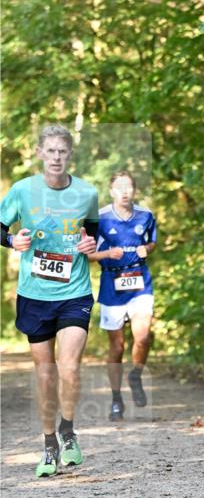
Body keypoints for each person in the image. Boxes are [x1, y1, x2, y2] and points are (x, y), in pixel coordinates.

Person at [0, 123, 98, 477]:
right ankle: (48, 444)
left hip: (75, 291)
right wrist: (13, 243)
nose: (57, 157)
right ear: (40, 153)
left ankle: (68, 432)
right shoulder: (23, 191)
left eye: (63, 151)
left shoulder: (87, 193)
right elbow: (0, 227)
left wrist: (91, 246)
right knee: (45, 374)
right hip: (34, 294)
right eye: (51, 151)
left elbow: (93, 237)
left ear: (70, 155)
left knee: (69, 365)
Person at [88, 171, 157, 420]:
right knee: (116, 348)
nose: (125, 192)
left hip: (139, 282)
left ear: (134, 191)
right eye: (119, 187)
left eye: (129, 187)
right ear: (111, 191)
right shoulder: (100, 218)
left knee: (143, 336)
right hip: (111, 284)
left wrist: (145, 248)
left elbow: (152, 242)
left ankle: (136, 373)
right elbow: (86, 253)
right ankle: (117, 399)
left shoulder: (146, 215)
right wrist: (107, 254)